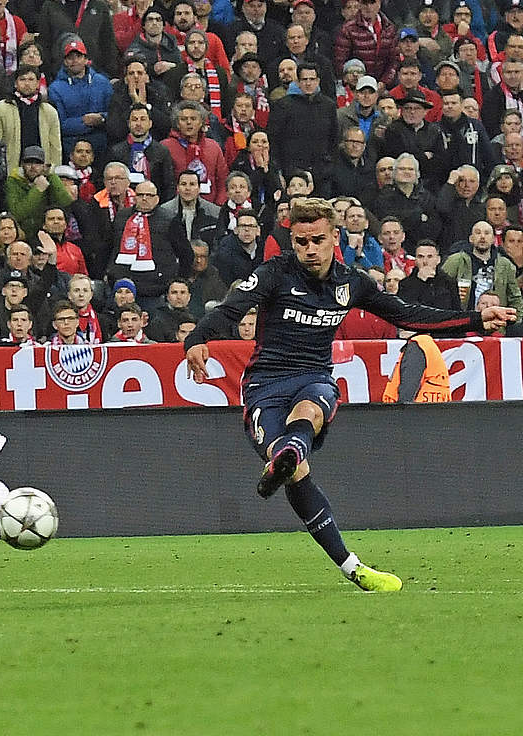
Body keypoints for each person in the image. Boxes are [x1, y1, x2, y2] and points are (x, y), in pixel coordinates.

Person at [184, 197, 517, 591]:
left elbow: (408, 315)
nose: (309, 249)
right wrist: (197, 338)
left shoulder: (352, 282)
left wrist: (477, 318)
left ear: (334, 238)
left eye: (317, 240)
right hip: (265, 387)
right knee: (297, 472)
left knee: (312, 406)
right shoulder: (274, 273)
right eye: (301, 241)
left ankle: (289, 454)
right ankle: (350, 564)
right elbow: (231, 308)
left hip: (312, 377)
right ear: (293, 240)